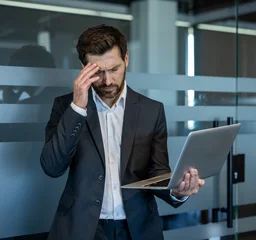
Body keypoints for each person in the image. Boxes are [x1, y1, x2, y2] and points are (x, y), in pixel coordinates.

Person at [40, 24, 205, 240]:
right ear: (84, 67)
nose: (108, 81)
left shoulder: (151, 110)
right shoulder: (66, 107)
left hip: (137, 229)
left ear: (126, 59)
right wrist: (78, 107)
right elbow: (52, 167)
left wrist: (177, 191)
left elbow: (157, 172)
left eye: (114, 69)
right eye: (98, 72)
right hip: (82, 228)